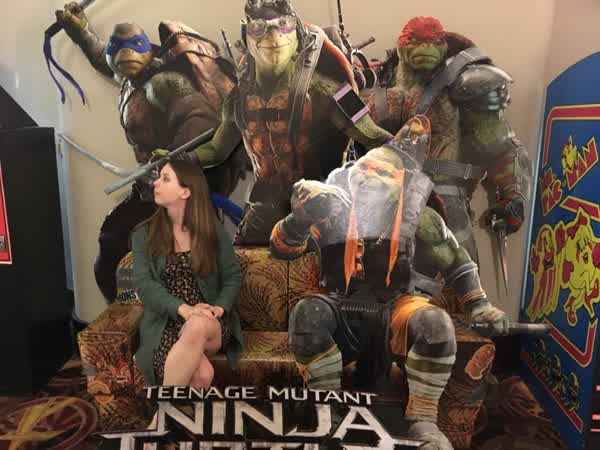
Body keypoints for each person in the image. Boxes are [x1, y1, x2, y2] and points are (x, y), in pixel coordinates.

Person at [270, 117, 508, 450]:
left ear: (401, 183)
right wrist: (300, 216)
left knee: (436, 323)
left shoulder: (423, 219)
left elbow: (457, 262)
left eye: (382, 173)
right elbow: (281, 248)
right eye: (365, 169)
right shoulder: (331, 208)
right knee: (307, 313)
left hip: (398, 306)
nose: (369, 177)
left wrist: (479, 304)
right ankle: (327, 412)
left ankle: (423, 420)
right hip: (341, 303)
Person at [187, 0, 394, 245]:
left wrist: (402, 162)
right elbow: (216, 150)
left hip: (317, 208)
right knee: (247, 264)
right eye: (259, 27)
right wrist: (182, 160)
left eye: (283, 25)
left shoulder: (329, 89)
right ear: (246, 37)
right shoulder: (237, 98)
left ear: (298, 34)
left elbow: (374, 136)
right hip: (263, 207)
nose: (273, 36)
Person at [363, 16, 532, 263]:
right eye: (415, 42)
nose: (424, 49)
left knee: (458, 276)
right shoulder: (377, 83)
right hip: (381, 204)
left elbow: (501, 147)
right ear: (402, 46)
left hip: (445, 201)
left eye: (431, 43)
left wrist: (513, 197)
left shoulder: (467, 83)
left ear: (442, 46)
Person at [131, 160, 242, 395]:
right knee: (202, 375)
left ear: (186, 191)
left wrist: (219, 308)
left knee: (197, 324)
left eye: (165, 178)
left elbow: (233, 276)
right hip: (166, 323)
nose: (156, 183)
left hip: (209, 321)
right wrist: (183, 309)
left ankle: (162, 411)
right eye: (158, 177)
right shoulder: (143, 234)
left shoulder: (212, 230)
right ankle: (178, 417)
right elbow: (144, 285)